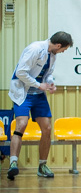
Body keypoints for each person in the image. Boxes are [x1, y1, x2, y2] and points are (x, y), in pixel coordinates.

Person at [7, 32, 73, 179]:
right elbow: (20, 72)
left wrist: (50, 83)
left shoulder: (52, 54)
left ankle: (42, 165)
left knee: (47, 128)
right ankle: (13, 163)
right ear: (58, 45)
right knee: (21, 125)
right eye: (64, 49)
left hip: (38, 94)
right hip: (23, 92)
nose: (63, 52)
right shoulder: (35, 49)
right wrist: (38, 85)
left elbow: (48, 73)